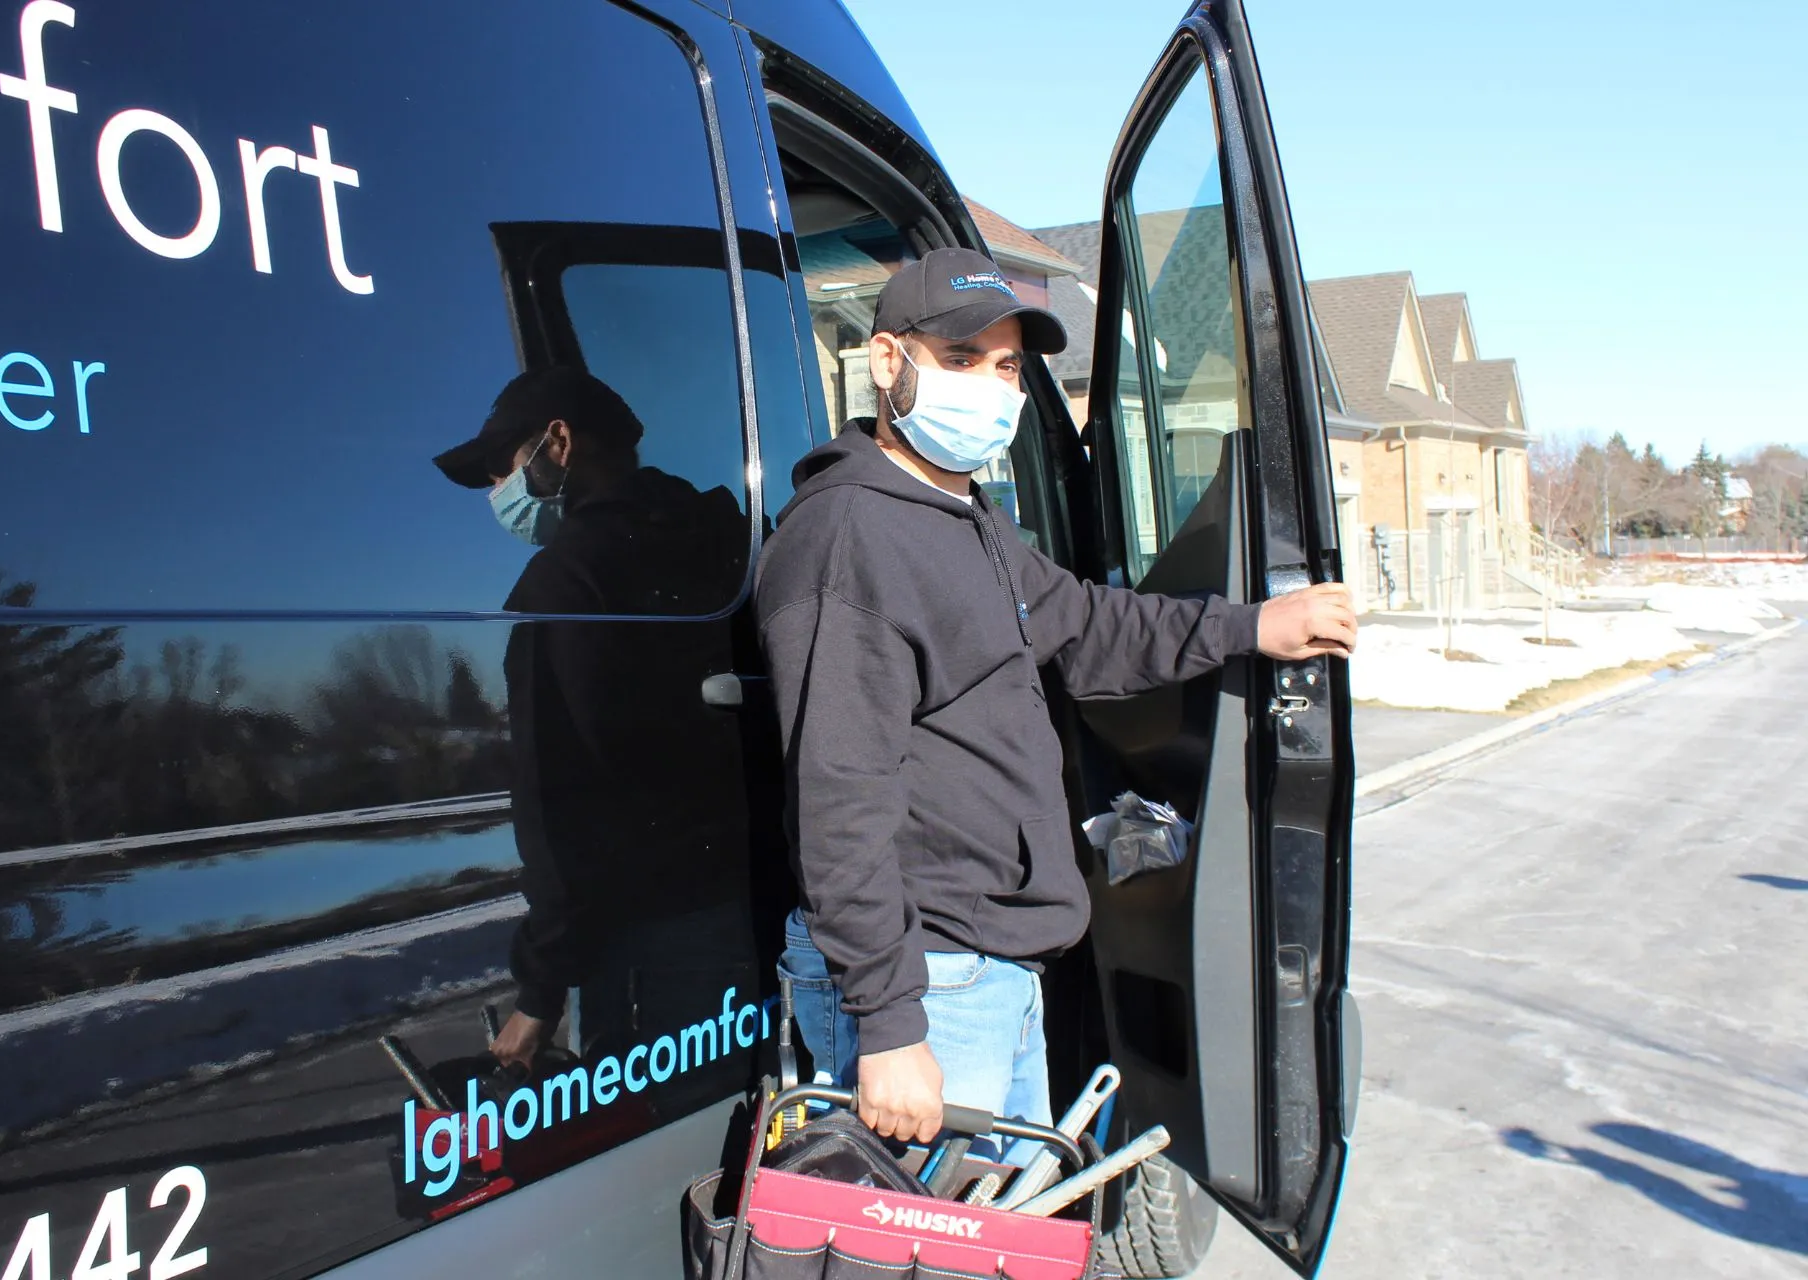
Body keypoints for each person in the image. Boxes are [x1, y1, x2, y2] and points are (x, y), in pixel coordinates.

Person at [753, 248, 1358, 1151]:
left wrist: (1252, 628)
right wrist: (888, 1026)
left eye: (1006, 368)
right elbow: (840, 798)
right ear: (887, 362)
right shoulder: (850, 537)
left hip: (986, 971)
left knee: (1000, 1243)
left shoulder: (965, 519)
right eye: (960, 361)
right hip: (928, 979)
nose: (993, 388)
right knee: (927, 1252)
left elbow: (1083, 625)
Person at [433, 368, 757, 1073]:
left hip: (648, 936)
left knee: (658, 1146)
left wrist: (542, 989)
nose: (496, 494)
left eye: (500, 468)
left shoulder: (567, 584)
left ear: (558, 443)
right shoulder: (728, 542)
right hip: (750, 905)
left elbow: (559, 804)